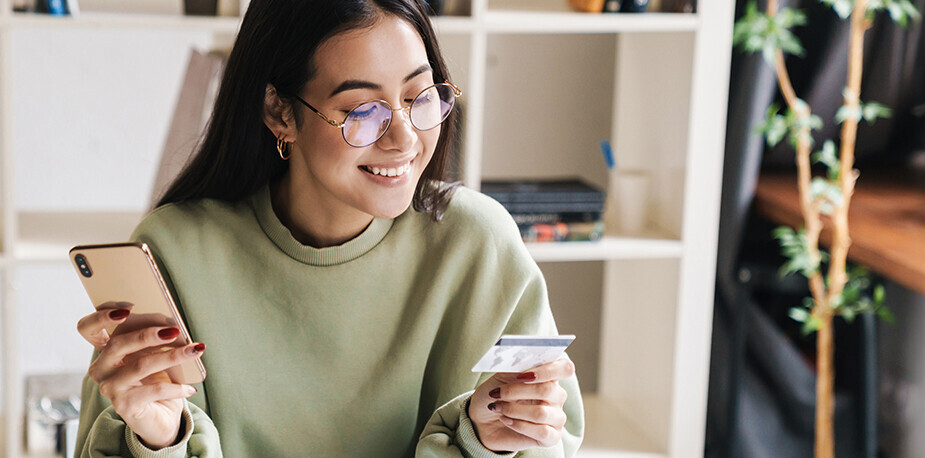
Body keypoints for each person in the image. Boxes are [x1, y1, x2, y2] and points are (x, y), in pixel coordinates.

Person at [72, 0, 584, 456]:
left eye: (420, 95)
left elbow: (551, 442)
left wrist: (496, 441)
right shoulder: (175, 251)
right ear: (280, 112)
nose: (405, 138)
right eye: (363, 109)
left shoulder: (478, 244)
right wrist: (158, 439)